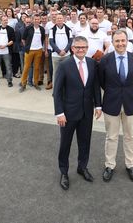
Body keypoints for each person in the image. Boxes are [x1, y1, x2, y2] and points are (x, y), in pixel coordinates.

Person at [53, 36, 102, 191]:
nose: (81, 50)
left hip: (87, 112)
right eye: (78, 47)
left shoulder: (92, 63)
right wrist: (59, 112)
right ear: (72, 48)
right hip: (68, 113)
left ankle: (82, 167)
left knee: (85, 142)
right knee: (65, 144)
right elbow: (57, 91)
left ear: (87, 48)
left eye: (84, 47)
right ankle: (64, 172)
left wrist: (98, 106)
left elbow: (95, 86)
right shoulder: (64, 65)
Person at [98, 29, 133, 183]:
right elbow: (102, 82)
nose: (120, 44)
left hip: (130, 103)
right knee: (111, 137)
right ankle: (109, 165)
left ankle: (130, 165)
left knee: (130, 136)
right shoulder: (105, 60)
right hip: (111, 103)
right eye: (117, 41)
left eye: (123, 41)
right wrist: (114, 92)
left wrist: (127, 92)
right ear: (113, 42)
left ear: (127, 42)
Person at [20, 14, 47, 92]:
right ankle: (23, 84)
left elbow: (43, 39)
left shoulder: (42, 29)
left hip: (38, 50)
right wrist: (27, 47)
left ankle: (36, 83)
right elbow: (23, 39)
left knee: (36, 68)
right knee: (26, 67)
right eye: (35, 19)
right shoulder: (28, 28)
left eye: (38, 19)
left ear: (40, 20)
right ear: (32, 20)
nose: (37, 21)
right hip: (29, 51)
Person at [49, 13, 74, 90]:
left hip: (66, 55)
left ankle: (66, 89)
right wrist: (59, 51)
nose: (59, 20)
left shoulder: (68, 29)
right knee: (56, 73)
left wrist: (65, 50)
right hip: (56, 55)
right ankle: (55, 90)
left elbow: (70, 41)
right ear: (55, 20)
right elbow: (51, 42)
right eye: (58, 18)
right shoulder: (52, 30)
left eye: (61, 18)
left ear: (63, 19)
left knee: (67, 72)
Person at [0, 15, 15, 87]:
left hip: (6, 52)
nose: (6, 21)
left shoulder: (11, 29)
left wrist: (5, 45)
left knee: (8, 67)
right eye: (4, 20)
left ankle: (9, 81)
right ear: (1, 21)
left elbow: (13, 40)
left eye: (6, 20)